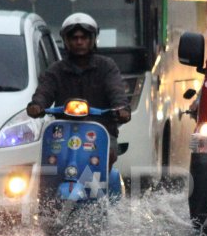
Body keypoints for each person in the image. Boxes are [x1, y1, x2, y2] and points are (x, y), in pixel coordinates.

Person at [25, 12, 130, 160]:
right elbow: (44, 92)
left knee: (108, 157)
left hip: (100, 131)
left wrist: (121, 108)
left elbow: (116, 91)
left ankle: (103, 183)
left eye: (84, 38)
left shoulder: (107, 66)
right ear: (66, 41)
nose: (79, 42)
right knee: (48, 166)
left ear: (93, 39)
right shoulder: (55, 70)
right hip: (63, 135)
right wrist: (37, 105)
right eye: (74, 38)